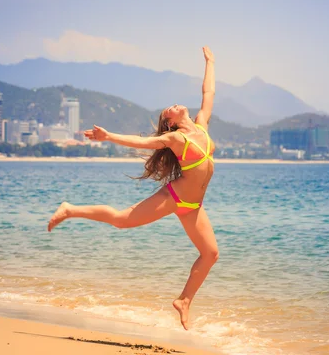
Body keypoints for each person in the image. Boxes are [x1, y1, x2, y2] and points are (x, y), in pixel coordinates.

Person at [47, 46, 218, 330]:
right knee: (122, 220)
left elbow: (208, 94)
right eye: (170, 109)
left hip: (194, 207)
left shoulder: (202, 126)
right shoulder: (175, 139)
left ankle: (184, 301)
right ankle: (70, 209)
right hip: (175, 198)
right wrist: (108, 136)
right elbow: (141, 143)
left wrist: (210, 62)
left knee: (211, 253)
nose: (174, 104)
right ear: (171, 121)